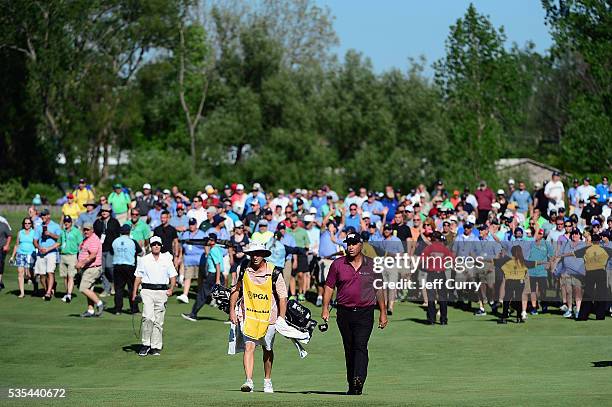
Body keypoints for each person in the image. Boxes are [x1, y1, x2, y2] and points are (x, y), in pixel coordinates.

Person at [322, 232, 388, 395]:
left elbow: (378, 288)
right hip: (344, 312)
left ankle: (359, 378)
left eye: (354, 243)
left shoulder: (372, 264)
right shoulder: (338, 264)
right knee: (349, 348)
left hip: (365, 312)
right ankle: (352, 385)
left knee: (360, 345)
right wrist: (325, 308)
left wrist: (383, 312)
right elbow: (329, 287)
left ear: (361, 245)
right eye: (348, 243)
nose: (350, 247)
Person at [228, 242, 288, 393]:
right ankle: (249, 381)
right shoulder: (243, 268)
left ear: (263, 255)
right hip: (248, 315)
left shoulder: (274, 271)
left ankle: (267, 380)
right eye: (252, 253)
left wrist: (281, 318)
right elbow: (236, 290)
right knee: (249, 346)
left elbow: (282, 296)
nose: (255, 257)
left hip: (269, 317)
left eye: (258, 253)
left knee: (267, 349)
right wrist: (232, 310)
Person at [132, 236, 177, 356]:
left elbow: (173, 276)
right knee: (147, 317)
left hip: (162, 291)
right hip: (147, 290)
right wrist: (134, 293)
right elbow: (138, 277)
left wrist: (171, 289)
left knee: (158, 321)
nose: (156, 246)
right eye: (153, 244)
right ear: (150, 246)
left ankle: (155, 346)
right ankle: (145, 344)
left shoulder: (166, 259)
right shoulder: (144, 259)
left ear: (161, 246)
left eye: (158, 244)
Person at [181, 233, 223, 322]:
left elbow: (217, 265)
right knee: (223, 297)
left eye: (209, 240)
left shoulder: (214, 250)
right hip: (216, 275)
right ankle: (232, 317)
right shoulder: (216, 249)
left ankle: (193, 314)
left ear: (213, 241)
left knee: (202, 295)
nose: (208, 241)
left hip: (213, 275)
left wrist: (217, 279)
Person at [422, 231, 453, 324]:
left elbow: (422, 259)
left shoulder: (429, 248)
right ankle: (443, 320)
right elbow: (451, 259)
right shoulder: (444, 248)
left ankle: (431, 319)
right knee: (442, 297)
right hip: (441, 274)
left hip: (431, 274)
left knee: (431, 297)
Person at [111, 224, 142, 315]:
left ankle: (118, 309)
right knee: (132, 288)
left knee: (119, 289)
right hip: (130, 266)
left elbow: (112, 251)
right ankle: (134, 309)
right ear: (129, 231)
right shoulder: (132, 241)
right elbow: (140, 252)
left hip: (117, 265)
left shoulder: (115, 241)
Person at [50, 216, 83, 303]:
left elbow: (81, 244)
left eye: (68, 221)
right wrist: (48, 249)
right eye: (65, 221)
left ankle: (69, 294)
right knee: (65, 277)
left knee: (71, 276)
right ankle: (67, 292)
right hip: (63, 256)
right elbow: (58, 243)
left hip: (72, 256)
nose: (66, 223)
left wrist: (80, 257)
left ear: (71, 222)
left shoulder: (76, 232)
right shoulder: (62, 232)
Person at [77, 223, 104, 317]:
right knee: (89, 289)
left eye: (88, 230)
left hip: (93, 268)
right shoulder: (87, 239)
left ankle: (100, 303)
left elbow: (93, 255)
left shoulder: (93, 239)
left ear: (92, 230)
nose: (86, 231)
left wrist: (82, 262)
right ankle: (90, 310)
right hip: (88, 268)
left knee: (83, 288)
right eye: (84, 229)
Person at [93, 204, 121, 297]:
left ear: (110, 212)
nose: (104, 212)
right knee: (102, 270)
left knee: (109, 267)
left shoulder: (115, 222)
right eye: (102, 211)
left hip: (111, 249)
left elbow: (118, 236)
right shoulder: (97, 222)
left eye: (106, 211)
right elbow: (95, 236)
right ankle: (106, 288)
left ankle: (114, 284)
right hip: (100, 249)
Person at [177, 218, 206, 304]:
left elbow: (206, 246)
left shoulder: (202, 234)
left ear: (196, 225)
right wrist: (179, 257)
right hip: (188, 259)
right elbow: (182, 247)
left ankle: (200, 295)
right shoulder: (185, 234)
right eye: (190, 224)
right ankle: (185, 295)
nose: (191, 226)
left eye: (193, 224)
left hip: (199, 259)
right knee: (187, 277)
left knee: (199, 278)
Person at [34, 208, 61, 300]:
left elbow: (60, 239)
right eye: (42, 215)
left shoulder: (55, 226)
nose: (43, 217)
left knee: (50, 272)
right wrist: (39, 248)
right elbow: (35, 241)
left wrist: (50, 234)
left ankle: (48, 293)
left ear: (49, 215)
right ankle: (47, 290)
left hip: (52, 252)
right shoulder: (39, 226)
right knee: (42, 275)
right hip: (41, 252)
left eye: (45, 215)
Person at [9, 217, 36, 297]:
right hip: (20, 254)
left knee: (31, 274)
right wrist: (12, 256)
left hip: (31, 254)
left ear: (31, 224)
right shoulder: (20, 233)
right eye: (25, 223)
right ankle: (22, 293)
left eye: (29, 223)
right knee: (20, 273)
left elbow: (36, 244)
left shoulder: (34, 232)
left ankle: (35, 288)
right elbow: (17, 245)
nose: (27, 225)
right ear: (23, 224)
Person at [287, 214, 310, 302]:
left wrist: (306, 252)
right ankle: (293, 294)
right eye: (292, 222)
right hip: (290, 252)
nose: (294, 224)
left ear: (298, 222)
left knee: (301, 275)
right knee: (292, 275)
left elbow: (307, 243)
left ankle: (300, 293)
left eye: (295, 222)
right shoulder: (287, 230)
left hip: (301, 253)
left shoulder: (303, 231)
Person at [0, 216, 11, 291]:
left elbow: (9, 235)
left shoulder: (3, 225)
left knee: (0, 264)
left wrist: (7, 245)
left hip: (1, 247)